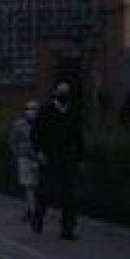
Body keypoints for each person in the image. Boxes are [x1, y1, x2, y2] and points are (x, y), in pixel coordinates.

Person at [31, 82, 84, 239]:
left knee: (70, 195)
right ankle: (37, 219)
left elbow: (78, 136)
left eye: (66, 92)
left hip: (67, 157)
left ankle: (67, 229)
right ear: (56, 93)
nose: (63, 95)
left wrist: (81, 157)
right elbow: (35, 133)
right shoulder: (46, 111)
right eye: (61, 92)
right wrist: (39, 152)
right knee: (46, 192)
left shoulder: (72, 112)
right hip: (48, 157)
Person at [9, 100, 40, 225]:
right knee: (29, 185)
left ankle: (33, 209)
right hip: (24, 158)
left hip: (39, 158)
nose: (31, 112)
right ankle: (32, 211)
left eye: (34, 109)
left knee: (37, 186)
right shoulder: (19, 124)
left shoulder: (42, 123)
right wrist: (17, 153)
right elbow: (13, 140)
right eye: (29, 109)